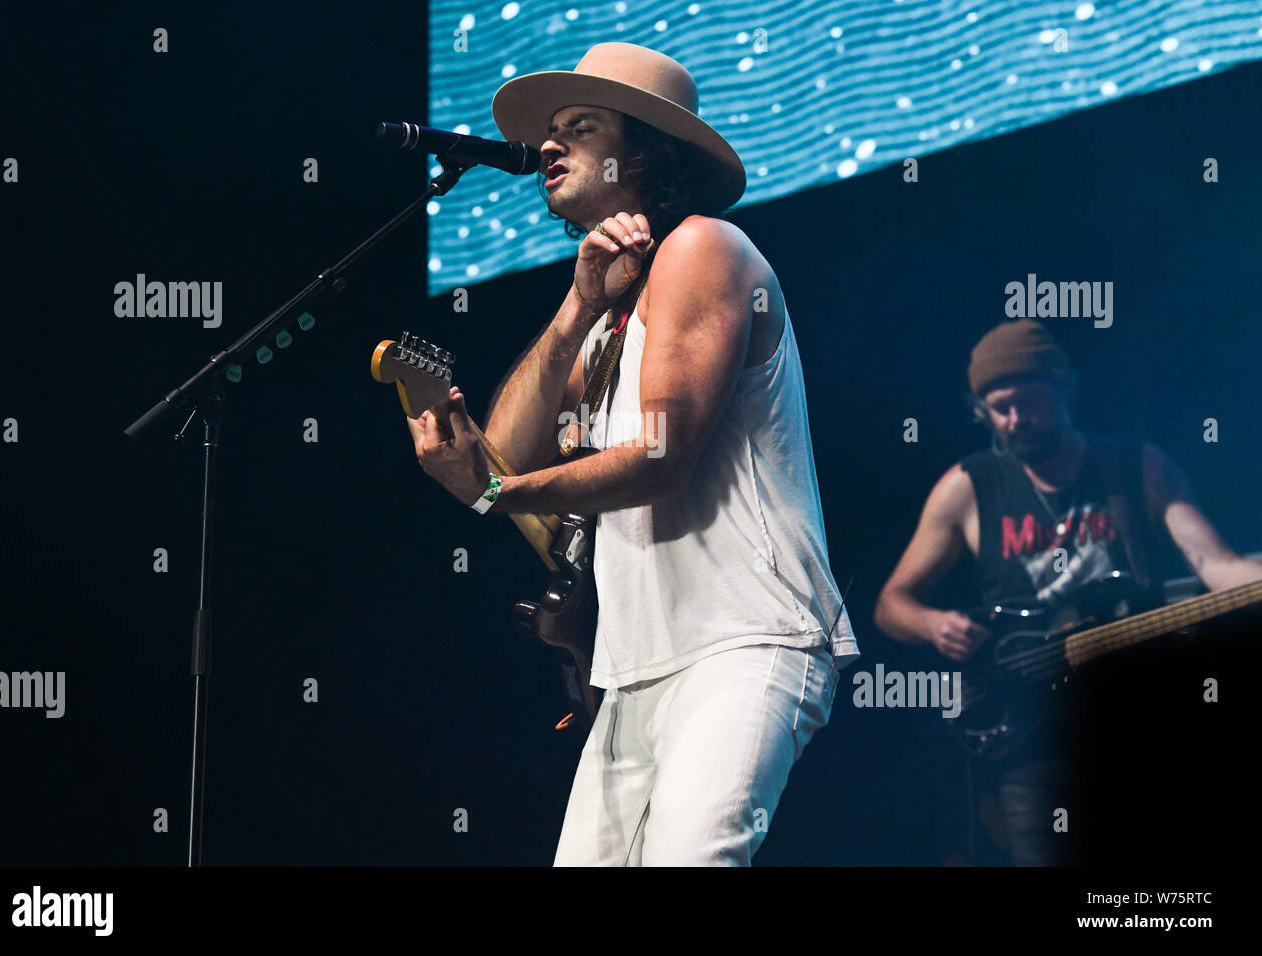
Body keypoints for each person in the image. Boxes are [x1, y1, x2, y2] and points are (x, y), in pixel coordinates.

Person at [405, 42, 859, 865]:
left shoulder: (704, 249)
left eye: (578, 127)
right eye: (550, 131)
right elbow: (504, 456)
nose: (548, 145)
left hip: (743, 642)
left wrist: (493, 493)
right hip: (632, 674)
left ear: (642, 149)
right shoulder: (611, 323)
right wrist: (578, 307)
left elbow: (661, 457)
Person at [873, 318, 1262, 864]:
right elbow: (891, 603)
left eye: (1026, 403)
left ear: (1062, 388)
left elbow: (1213, 564)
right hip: (1033, 740)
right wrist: (933, 625)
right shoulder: (968, 487)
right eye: (998, 409)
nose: (1014, 421)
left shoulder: (1137, 468)